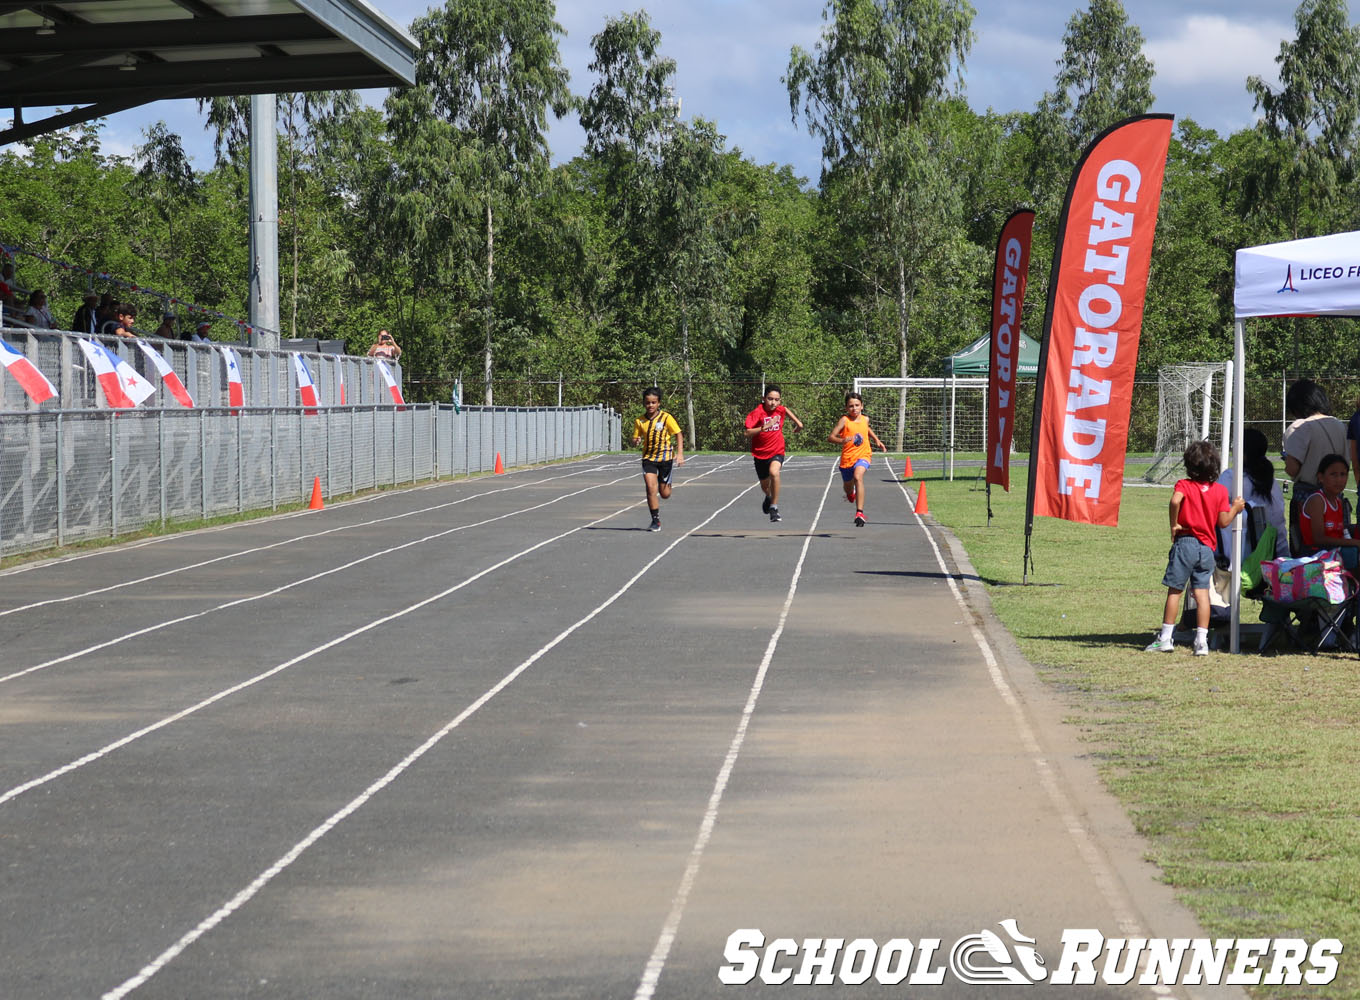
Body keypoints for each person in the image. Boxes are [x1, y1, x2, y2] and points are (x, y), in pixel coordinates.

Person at [1145, 440, 1246, 655]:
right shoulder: (1219, 491)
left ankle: (1165, 638)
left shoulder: (1184, 485)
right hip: (1207, 548)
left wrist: (1174, 523)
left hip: (1186, 543)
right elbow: (1223, 522)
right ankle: (1202, 641)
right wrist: (1236, 508)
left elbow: (1175, 501)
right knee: (1202, 594)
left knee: (1175, 590)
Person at [1216, 427, 1288, 560]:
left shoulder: (1231, 477)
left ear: (1242, 451)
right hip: (1271, 554)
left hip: (1239, 557)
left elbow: (1215, 512)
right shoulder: (1269, 480)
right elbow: (1278, 520)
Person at [744, 384, 804, 523]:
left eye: (776, 400)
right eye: (770, 399)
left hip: (777, 450)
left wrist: (798, 423)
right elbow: (747, 432)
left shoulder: (780, 410)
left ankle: (774, 508)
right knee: (765, 486)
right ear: (763, 398)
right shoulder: (757, 413)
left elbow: (786, 410)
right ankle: (769, 496)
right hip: (760, 454)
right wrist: (764, 427)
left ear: (780, 400)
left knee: (774, 473)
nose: (773, 402)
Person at [828, 391, 886, 528]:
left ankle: (859, 512)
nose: (854, 409)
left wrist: (877, 440)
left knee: (858, 477)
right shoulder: (844, 420)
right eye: (851, 406)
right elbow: (830, 437)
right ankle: (850, 494)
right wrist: (842, 440)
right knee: (848, 488)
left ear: (862, 406)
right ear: (846, 408)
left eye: (857, 405)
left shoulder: (865, 419)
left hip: (863, 455)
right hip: (847, 459)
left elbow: (867, 429)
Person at [631, 387, 685, 532]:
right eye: (648, 403)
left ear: (659, 403)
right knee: (650, 487)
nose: (650, 406)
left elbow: (678, 434)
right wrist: (635, 441)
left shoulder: (666, 418)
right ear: (644, 403)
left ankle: (666, 481)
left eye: (653, 402)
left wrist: (679, 454)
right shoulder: (639, 421)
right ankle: (655, 520)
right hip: (648, 458)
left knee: (665, 494)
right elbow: (635, 438)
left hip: (665, 459)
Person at [1282, 379, 1345, 495]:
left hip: (1308, 495)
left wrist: (1287, 461)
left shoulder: (1299, 426)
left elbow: (1292, 469)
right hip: (1335, 497)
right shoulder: (1339, 425)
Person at [1298, 454, 1360, 570]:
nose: (1339, 480)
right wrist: (1354, 542)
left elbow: (1340, 532)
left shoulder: (1338, 501)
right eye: (1333, 474)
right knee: (1352, 553)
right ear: (1321, 477)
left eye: (1343, 474)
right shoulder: (1317, 500)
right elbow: (1319, 539)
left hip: (1334, 552)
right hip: (1315, 555)